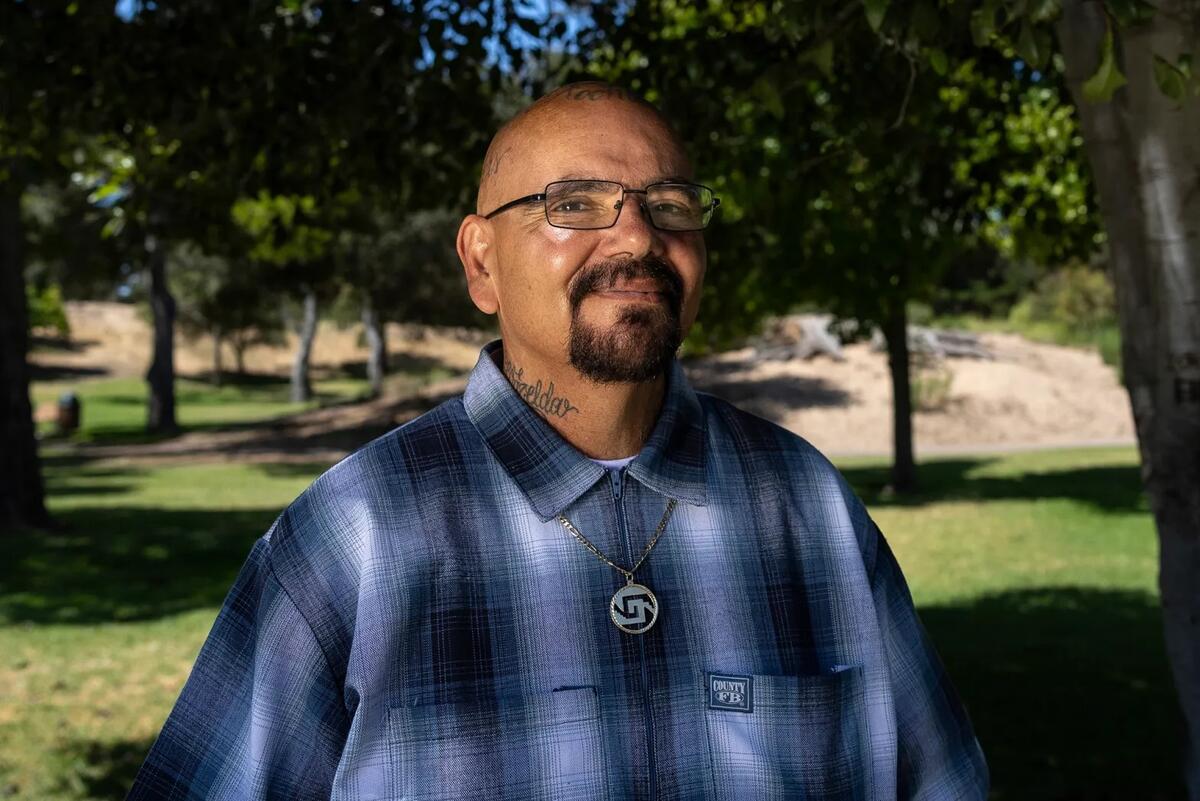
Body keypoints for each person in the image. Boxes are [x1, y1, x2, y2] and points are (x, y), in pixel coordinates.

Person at [128, 81, 988, 800]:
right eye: (574, 205)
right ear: (480, 262)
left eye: (671, 206)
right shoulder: (352, 537)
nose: (639, 237)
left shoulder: (811, 509)